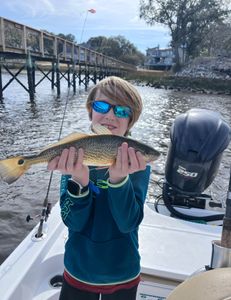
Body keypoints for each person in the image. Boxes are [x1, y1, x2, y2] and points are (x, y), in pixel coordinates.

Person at [48, 76, 152, 300]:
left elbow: (128, 223)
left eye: (122, 111)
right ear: (90, 110)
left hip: (123, 274)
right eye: (102, 106)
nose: (111, 115)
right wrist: (80, 181)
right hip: (78, 271)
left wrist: (118, 180)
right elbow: (73, 222)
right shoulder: (75, 157)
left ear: (130, 120)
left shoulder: (137, 163)